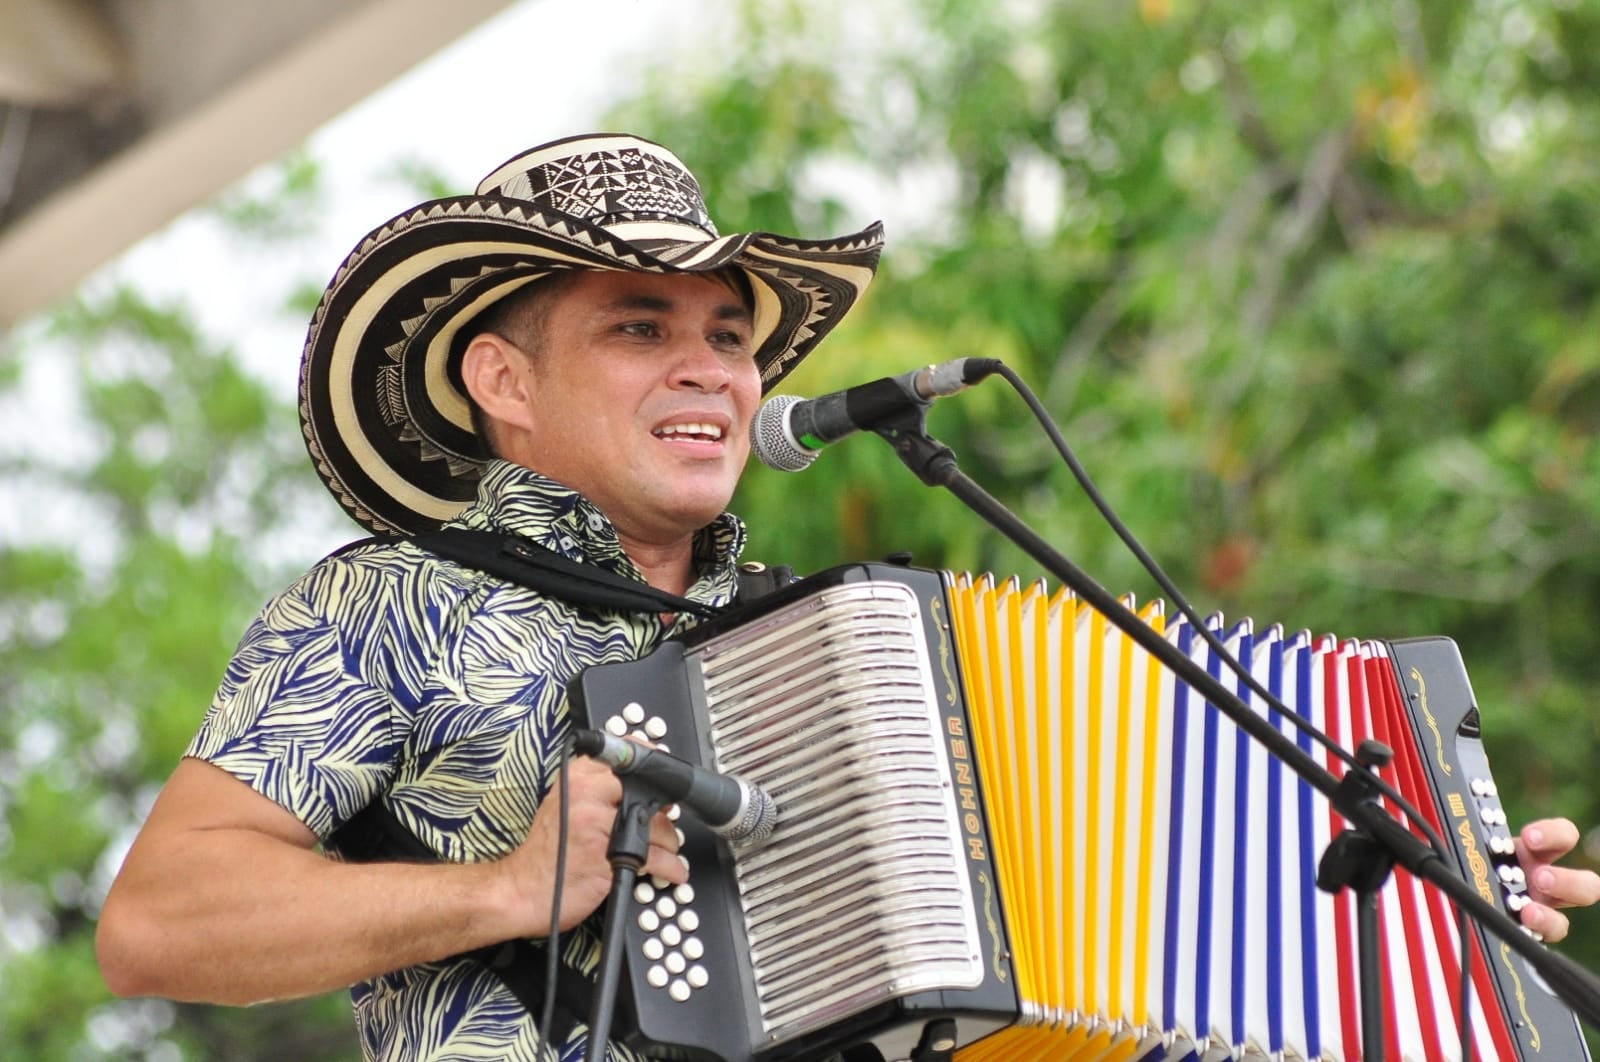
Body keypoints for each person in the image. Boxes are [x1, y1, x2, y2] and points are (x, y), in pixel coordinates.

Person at [95, 132, 1598, 1060]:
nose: (713, 368)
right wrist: (505, 889)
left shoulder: (840, 651)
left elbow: (1136, 937)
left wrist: (1441, 900)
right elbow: (156, 926)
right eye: (639, 325)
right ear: (503, 380)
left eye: (731, 335)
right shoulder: (381, 610)